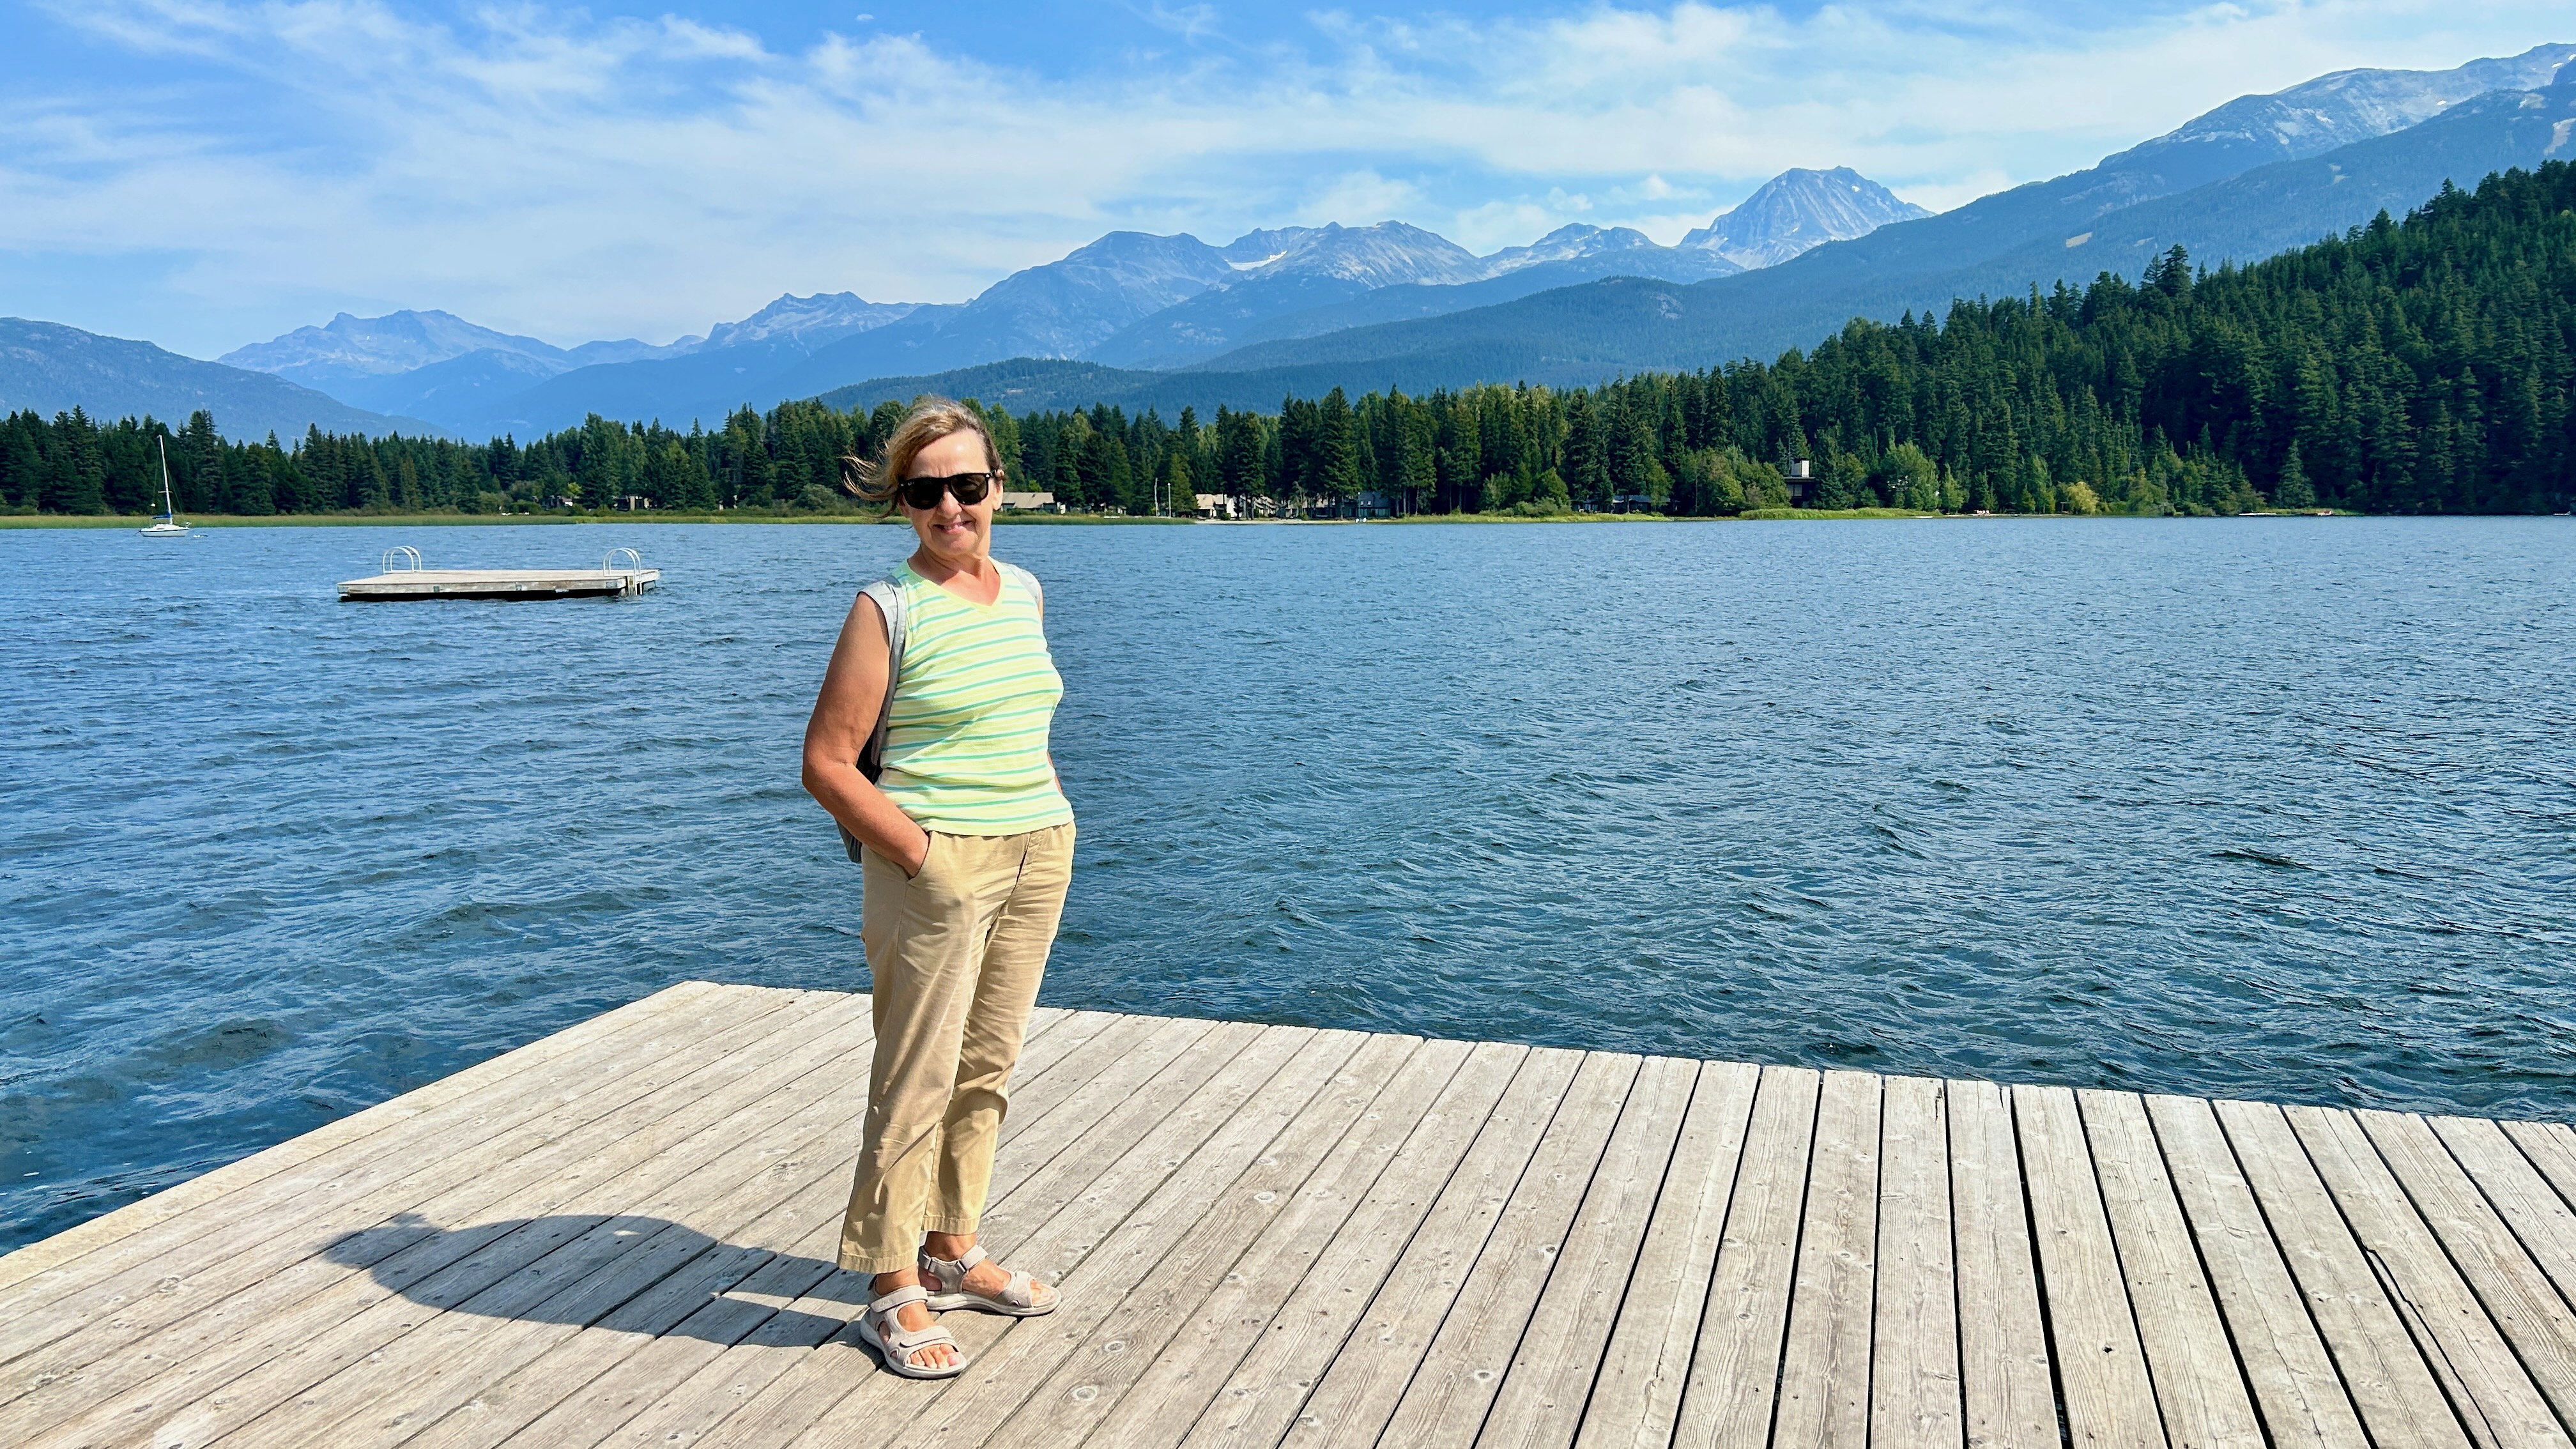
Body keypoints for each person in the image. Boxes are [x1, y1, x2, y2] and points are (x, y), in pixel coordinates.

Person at [801, 399, 1075, 1378]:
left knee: (988, 1066)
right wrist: (923, 854)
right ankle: (888, 1284)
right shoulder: (888, 606)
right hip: (938, 860)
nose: (951, 508)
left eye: (968, 486)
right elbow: (828, 764)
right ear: (904, 506)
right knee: (915, 1076)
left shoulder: (1026, 590)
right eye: (927, 493)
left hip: (1037, 846)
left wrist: (1045, 820)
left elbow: (1017, 722)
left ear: (999, 486)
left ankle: (952, 1249)